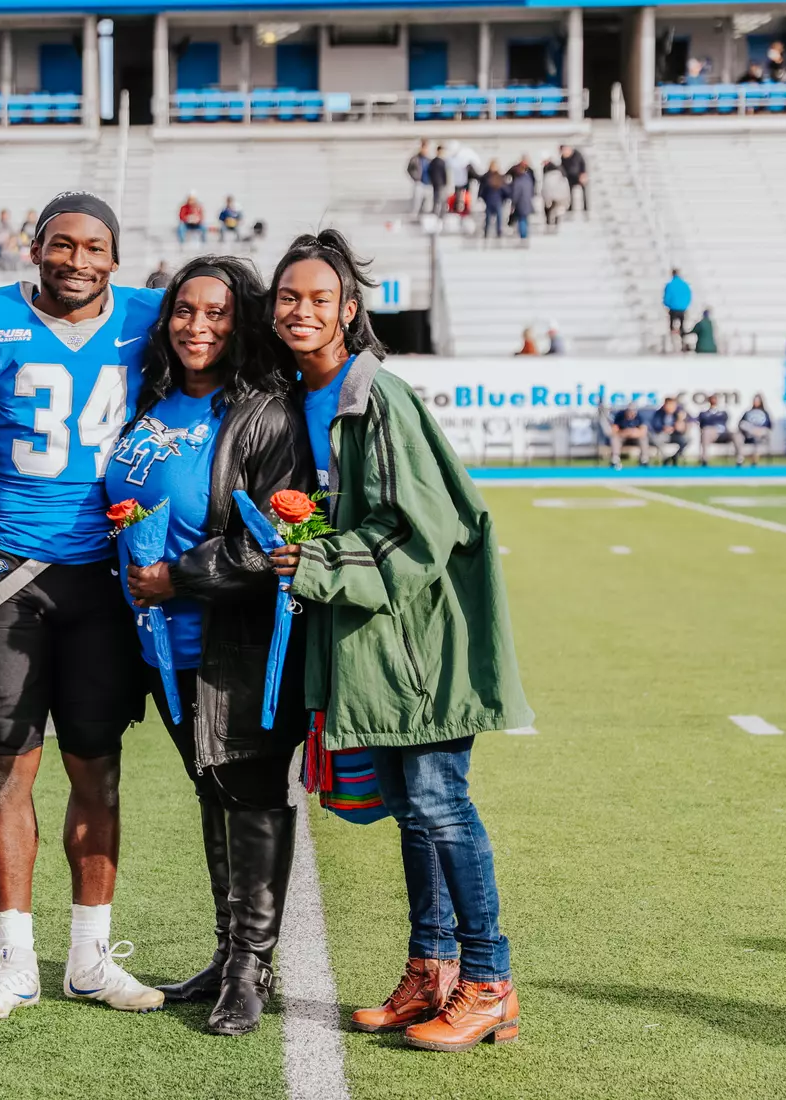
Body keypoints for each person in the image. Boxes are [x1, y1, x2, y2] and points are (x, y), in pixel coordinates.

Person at [265, 229, 531, 1053]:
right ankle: (433, 970)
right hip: (371, 642)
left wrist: (312, 558)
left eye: (318, 298)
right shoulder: (303, 393)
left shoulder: (378, 394)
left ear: (349, 310)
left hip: (420, 640)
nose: (301, 311)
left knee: (440, 806)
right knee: (416, 815)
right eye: (287, 298)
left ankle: (490, 981)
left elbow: (421, 528)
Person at [0, 191, 167, 1024]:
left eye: (94, 248)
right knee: (8, 770)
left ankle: (89, 956)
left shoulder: (152, 314)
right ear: (34, 248)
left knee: (96, 770)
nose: (77, 261)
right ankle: (13, 961)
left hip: (105, 579)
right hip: (9, 576)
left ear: (117, 257)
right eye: (62, 245)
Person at [108, 255, 312, 1035]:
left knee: (251, 795)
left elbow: (275, 545)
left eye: (219, 313)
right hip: (165, 648)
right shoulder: (155, 398)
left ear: (243, 322)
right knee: (212, 790)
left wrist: (178, 579)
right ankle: (229, 950)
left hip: (237, 645)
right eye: (185, 311)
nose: (199, 326)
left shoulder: (264, 412)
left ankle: (251, 970)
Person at [648, 394, 689, 466]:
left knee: (686, 439)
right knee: (656, 439)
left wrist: (680, 424)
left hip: (674, 434)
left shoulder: (679, 413)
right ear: (665, 405)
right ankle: (665, 457)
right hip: (662, 434)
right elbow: (655, 425)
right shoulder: (659, 413)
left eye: (673, 405)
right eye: (669, 405)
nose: (671, 407)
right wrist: (663, 428)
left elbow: (684, 427)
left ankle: (674, 456)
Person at [608, 401, 649, 469]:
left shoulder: (640, 416)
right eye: (629, 412)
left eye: (633, 412)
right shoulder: (620, 415)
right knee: (614, 438)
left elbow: (643, 431)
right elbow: (614, 431)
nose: (631, 414)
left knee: (643, 438)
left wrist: (634, 433)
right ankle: (615, 459)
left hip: (635, 437)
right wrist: (625, 432)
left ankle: (644, 460)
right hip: (623, 436)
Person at [738, 395, 773, 466]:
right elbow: (741, 424)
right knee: (742, 427)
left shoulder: (765, 412)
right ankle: (740, 459)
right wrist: (752, 429)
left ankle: (755, 457)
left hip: (761, 432)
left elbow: (770, 425)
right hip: (750, 432)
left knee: (758, 436)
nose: (756, 402)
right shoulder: (748, 412)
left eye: (757, 401)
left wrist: (759, 429)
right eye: (755, 401)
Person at [696, 393, 730, 466]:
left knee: (736, 434)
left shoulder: (723, 413)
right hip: (710, 433)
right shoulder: (704, 414)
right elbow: (701, 425)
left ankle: (740, 460)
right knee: (706, 431)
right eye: (712, 399)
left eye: (715, 399)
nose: (713, 401)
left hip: (722, 433)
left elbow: (725, 423)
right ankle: (704, 459)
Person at [662, 269, 692, 351]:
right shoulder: (685, 285)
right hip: (682, 309)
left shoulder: (670, 285)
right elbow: (689, 296)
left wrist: (668, 305)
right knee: (682, 327)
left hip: (673, 309)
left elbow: (666, 298)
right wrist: (685, 305)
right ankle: (682, 343)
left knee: (672, 326)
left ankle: (673, 344)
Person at [507, 157, 535, 243]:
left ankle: (523, 236)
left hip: (520, 203)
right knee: (525, 219)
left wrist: (513, 203)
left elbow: (515, 193)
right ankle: (525, 234)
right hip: (527, 201)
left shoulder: (518, 181)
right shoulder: (529, 179)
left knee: (521, 219)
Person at [478, 162, 508, 241]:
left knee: (497, 218)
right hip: (490, 200)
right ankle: (487, 232)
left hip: (496, 200)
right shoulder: (487, 177)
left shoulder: (499, 177)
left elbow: (505, 190)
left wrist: (504, 198)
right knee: (489, 218)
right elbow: (483, 190)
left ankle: (498, 232)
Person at [559, 144, 589, 215]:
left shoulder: (577, 154)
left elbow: (582, 164)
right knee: (570, 193)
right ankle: (571, 207)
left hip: (579, 175)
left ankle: (585, 207)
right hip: (570, 177)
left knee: (583, 193)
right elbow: (563, 167)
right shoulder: (563, 157)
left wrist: (583, 174)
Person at [406, 140, 432, 213]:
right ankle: (415, 214)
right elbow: (409, 169)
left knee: (427, 202)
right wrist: (415, 177)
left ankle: (425, 214)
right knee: (416, 201)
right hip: (419, 182)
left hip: (428, 183)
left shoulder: (429, 160)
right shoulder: (415, 159)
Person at [426, 145, 450, 216]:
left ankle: (438, 215)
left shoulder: (435, 162)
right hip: (440, 184)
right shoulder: (438, 162)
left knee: (439, 201)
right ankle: (438, 216)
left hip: (438, 184)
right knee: (440, 201)